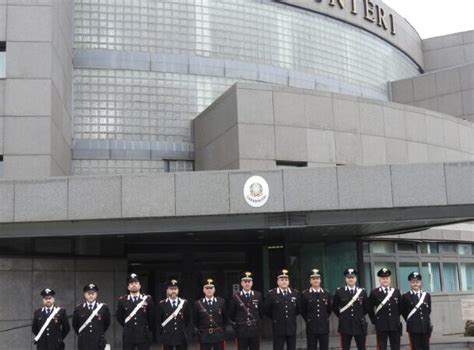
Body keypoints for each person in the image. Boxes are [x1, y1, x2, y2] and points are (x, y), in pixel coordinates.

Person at [116, 273, 155, 350]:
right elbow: (119, 317)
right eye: (131, 283)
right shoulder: (122, 300)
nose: (134, 285)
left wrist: (146, 329)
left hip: (143, 334)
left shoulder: (147, 299)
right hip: (128, 335)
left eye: (136, 283)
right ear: (128, 287)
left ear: (140, 286)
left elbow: (151, 317)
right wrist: (128, 326)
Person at [263, 269, 300, 350]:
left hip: (291, 326)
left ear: (289, 281)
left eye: (286, 280)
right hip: (278, 327)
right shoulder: (272, 294)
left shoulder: (295, 293)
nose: (284, 282)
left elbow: (298, 309)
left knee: (292, 347)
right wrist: (276, 317)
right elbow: (266, 309)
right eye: (282, 280)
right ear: (278, 282)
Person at [332, 268, 368, 350]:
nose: (350, 279)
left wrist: (359, 316)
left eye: (352, 277)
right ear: (345, 279)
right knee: (345, 347)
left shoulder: (362, 292)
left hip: (359, 324)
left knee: (362, 347)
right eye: (348, 277)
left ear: (356, 278)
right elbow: (334, 307)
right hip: (345, 325)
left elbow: (366, 308)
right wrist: (342, 316)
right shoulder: (339, 292)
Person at [368, 268, 402, 350]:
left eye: (387, 278)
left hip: (395, 325)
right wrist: (375, 321)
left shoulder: (396, 292)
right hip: (381, 325)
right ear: (379, 280)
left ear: (390, 279)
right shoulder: (374, 292)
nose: (385, 280)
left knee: (396, 346)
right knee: (382, 347)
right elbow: (369, 309)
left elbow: (401, 307)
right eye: (383, 278)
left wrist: (396, 318)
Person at [229, 271, 263, 350]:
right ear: (241, 283)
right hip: (241, 330)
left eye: (249, 281)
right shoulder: (236, 297)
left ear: (252, 283)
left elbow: (261, 311)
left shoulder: (258, 295)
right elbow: (231, 313)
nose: (247, 283)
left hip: (254, 330)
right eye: (245, 281)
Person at [72, 283, 111, 350]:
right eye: (88, 293)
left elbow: (107, 323)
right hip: (83, 341)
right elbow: (75, 325)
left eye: (93, 293)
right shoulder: (79, 308)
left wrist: (99, 332)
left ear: (96, 294)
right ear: (85, 294)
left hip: (98, 341)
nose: (91, 295)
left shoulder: (103, 308)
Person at [300, 269, 332, 350]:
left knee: (324, 347)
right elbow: (302, 310)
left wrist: (324, 318)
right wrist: (309, 319)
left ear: (320, 280)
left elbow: (329, 309)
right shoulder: (305, 294)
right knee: (311, 347)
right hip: (311, 326)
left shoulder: (326, 293)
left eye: (317, 278)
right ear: (310, 281)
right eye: (313, 279)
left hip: (324, 326)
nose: (315, 280)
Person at [193, 278, 228, 350]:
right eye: (207, 288)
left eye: (211, 288)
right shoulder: (198, 303)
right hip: (204, 336)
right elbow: (195, 320)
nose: (209, 290)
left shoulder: (221, 302)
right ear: (203, 290)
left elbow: (225, 318)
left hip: (218, 335)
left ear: (214, 289)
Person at [401, 271, 432, 350]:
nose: (415, 284)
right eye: (413, 282)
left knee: (426, 347)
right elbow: (404, 312)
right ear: (410, 283)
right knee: (415, 347)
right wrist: (411, 321)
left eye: (417, 282)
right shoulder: (406, 296)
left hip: (425, 327)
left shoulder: (427, 296)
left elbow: (428, 310)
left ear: (420, 282)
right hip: (413, 328)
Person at [157, 279, 191, 350]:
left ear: (178, 290)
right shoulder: (162, 304)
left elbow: (188, 320)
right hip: (167, 336)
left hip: (181, 336)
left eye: (175, 289)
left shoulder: (184, 303)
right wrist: (161, 336)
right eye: (171, 289)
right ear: (167, 290)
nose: (173, 291)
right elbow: (158, 321)